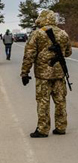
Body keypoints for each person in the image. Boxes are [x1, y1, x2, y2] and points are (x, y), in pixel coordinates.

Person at [20, 10, 72, 138]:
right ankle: (61, 127)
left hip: (43, 75)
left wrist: (24, 73)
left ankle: (43, 129)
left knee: (43, 101)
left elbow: (29, 55)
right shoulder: (63, 34)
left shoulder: (37, 34)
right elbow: (68, 52)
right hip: (59, 74)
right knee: (60, 101)